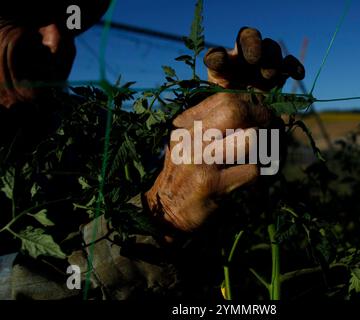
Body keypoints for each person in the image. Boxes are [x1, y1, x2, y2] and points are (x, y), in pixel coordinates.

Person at [0, 0, 304, 299]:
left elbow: (170, 179)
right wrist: (162, 218)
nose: (57, 41)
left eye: (69, 23)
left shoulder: (94, 125)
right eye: (25, 18)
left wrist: (230, 131)